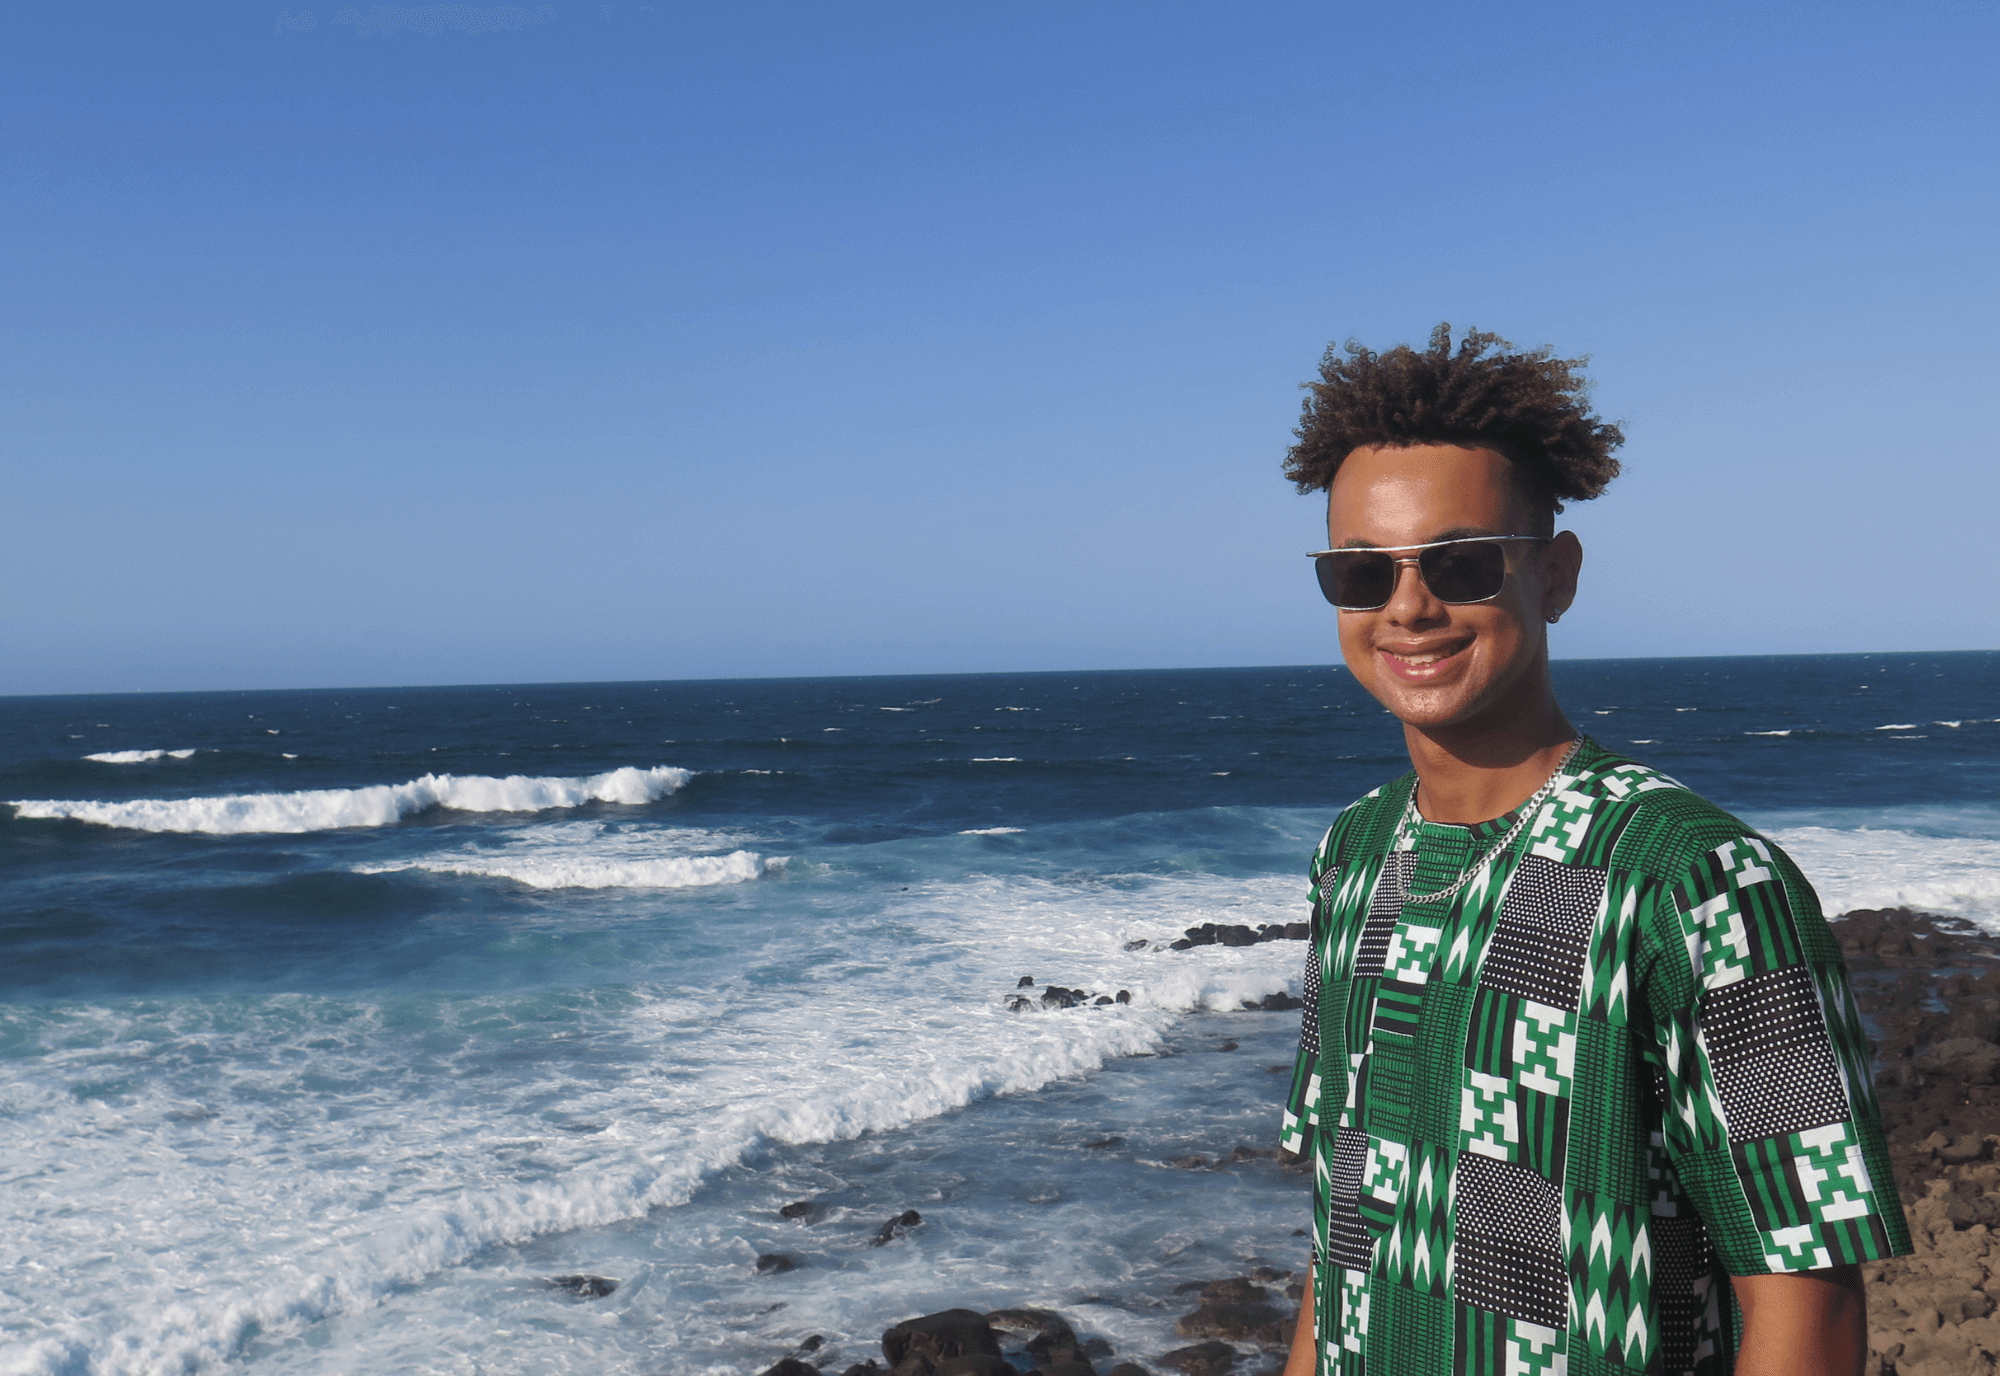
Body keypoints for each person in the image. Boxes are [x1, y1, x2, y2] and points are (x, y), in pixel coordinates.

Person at [1273, 326, 1908, 1376]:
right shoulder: (1352, 856)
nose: (1406, 606)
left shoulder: (1703, 880)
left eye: (1461, 562)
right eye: (1358, 570)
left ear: (1554, 574)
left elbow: (1808, 1301)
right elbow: (1341, 1237)